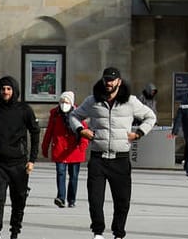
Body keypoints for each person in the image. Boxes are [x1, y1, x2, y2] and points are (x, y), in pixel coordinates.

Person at [76, 65, 156, 239]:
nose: (109, 83)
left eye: (112, 80)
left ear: (119, 81)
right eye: (106, 79)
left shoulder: (131, 101)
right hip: (98, 158)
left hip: (120, 159)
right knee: (95, 200)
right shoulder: (92, 100)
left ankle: (118, 233)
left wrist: (138, 133)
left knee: (122, 201)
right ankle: (98, 232)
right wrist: (81, 130)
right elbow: (74, 116)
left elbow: (151, 117)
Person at [0, 74, 39, 239]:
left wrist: (32, 160)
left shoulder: (24, 110)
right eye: (2, 89)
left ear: (14, 91)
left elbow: (35, 132)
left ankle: (14, 231)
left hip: (19, 164)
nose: (5, 92)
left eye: (8, 89)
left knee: (19, 199)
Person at [40, 89, 89, 209]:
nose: (64, 104)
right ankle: (61, 197)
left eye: (66, 102)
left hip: (74, 150)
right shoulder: (55, 114)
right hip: (60, 149)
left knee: (74, 176)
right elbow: (49, 132)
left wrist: (82, 146)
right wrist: (45, 147)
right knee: (60, 173)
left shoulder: (78, 114)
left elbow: (84, 131)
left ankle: (71, 199)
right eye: (62, 101)